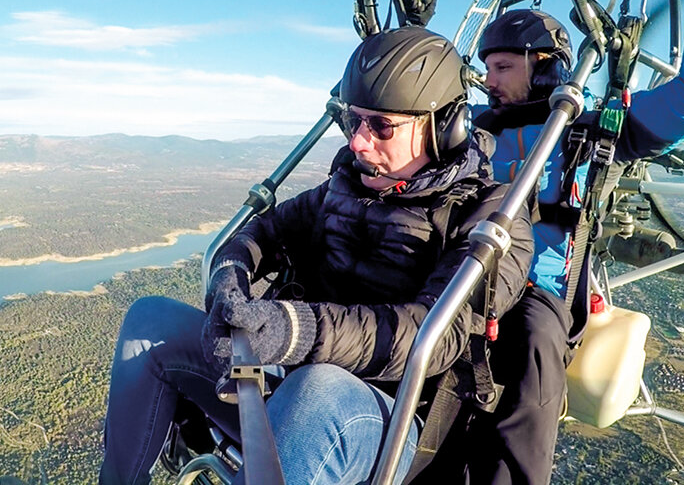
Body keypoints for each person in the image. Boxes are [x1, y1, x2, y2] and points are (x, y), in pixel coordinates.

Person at [98, 26, 535, 484]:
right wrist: (231, 274)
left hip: (387, 415)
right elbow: (261, 231)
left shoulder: (489, 217)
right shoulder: (344, 184)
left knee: (316, 390)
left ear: (443, 127)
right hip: (287, 375)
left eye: (381, 125)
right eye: (353, 121)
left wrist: (295, 331)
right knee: (150, 323)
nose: (358, 142)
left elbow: (429, 335)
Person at [437, 0, 684, 485]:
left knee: (530, 365)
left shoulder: (589, 131)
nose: (488, 78)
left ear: (544, 70)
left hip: (536, 294)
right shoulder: (470, 127)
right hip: (456, 277)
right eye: (486, 66)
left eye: (503, 66)